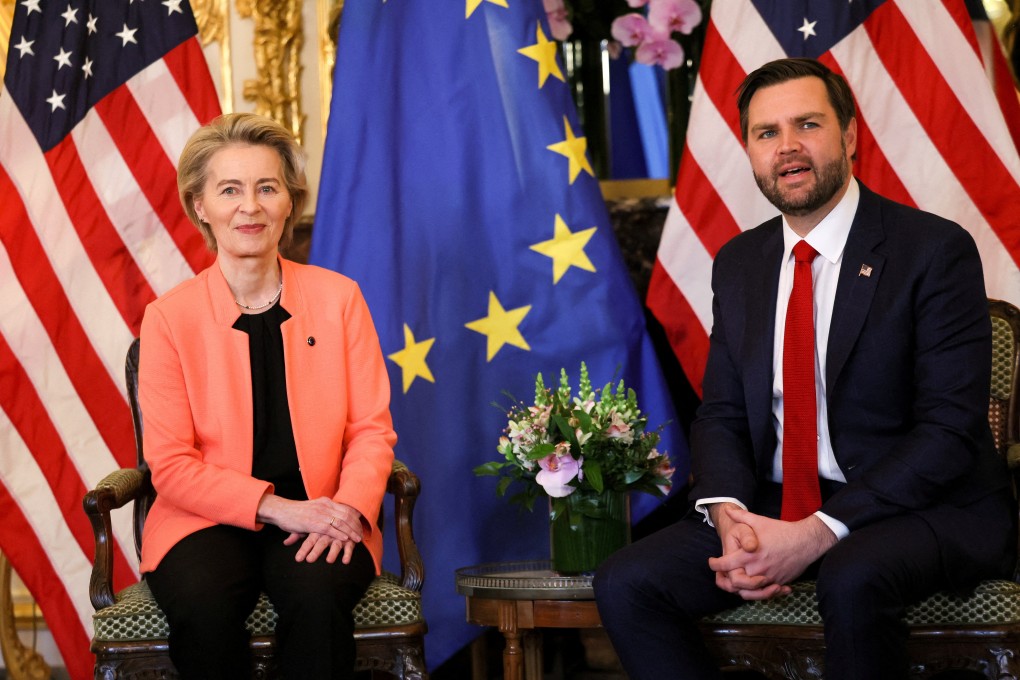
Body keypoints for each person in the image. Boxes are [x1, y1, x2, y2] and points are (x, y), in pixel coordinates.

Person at [593, 57, 1016, 679]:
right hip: (776, 503)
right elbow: (723, 411)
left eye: (807, 125)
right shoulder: (740, 263)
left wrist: (820, 530)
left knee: (852, 575)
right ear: (750, 150)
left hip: (922, 508)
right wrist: (727, 512)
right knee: (628, 580)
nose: (787, 147)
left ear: (848, 136)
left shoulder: (933, 251)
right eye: (767, 133)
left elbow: (947, 432)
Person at [138, 112, 396, 679]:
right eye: (229, 190)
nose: (249, 206)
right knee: (203, 604)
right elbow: (172, 465)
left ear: (288, 203)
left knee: (317, 595)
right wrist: (279, 508)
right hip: (201, 521)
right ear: (200, 206)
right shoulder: (168, 318)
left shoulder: (340, 299)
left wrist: (348, 509)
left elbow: (372, 431)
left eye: (267, 188)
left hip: (325, 507)